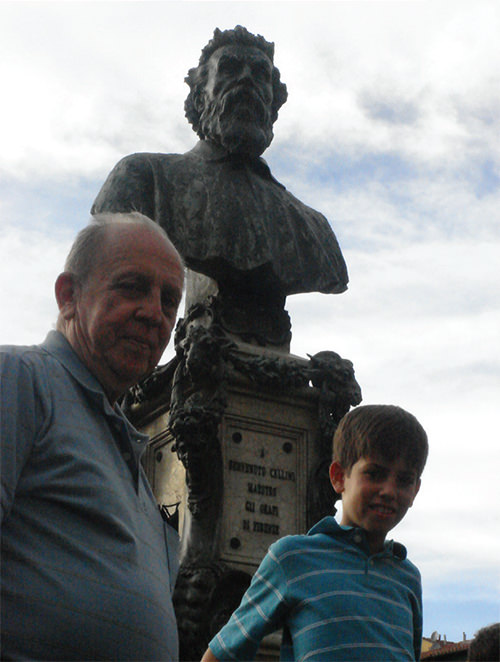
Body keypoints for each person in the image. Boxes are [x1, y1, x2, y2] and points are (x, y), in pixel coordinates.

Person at [0, 212, 185, 660]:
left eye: (169, 300)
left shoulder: (131, 456)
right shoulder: (20, 379)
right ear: (69, 296)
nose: (153, 314)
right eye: (132, 287)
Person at [92, 26, 348, 345]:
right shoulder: (145, 179)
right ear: (200, 98)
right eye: (229, 69)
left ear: (273, 105)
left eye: (260, 74)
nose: (246, 80)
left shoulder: (313, 228)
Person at [201, 404, 428, 662]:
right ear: (339, 477)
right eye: (374, 474)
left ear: (416, 491)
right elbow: (221, 654)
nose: (388, 490)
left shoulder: (408, 578)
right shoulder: (293, 559)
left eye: (404, 480)